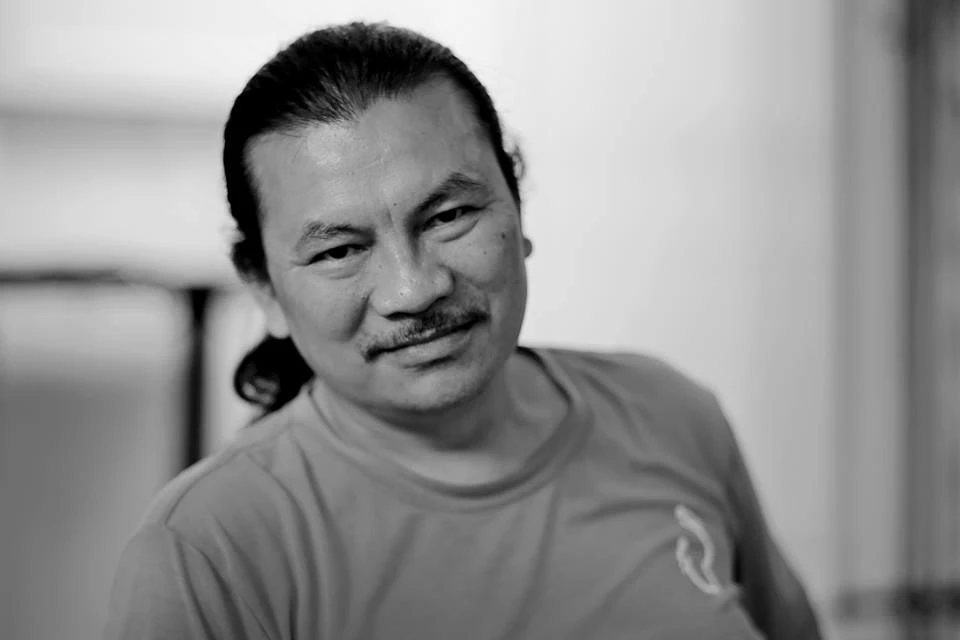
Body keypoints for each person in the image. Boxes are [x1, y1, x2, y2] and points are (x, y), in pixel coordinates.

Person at [104, 21, 823, 640]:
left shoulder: (671, 416)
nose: (414, 290)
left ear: (518, 207)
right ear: (264, 288)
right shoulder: (209, 550)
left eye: (450, 216)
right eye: (339, 251)